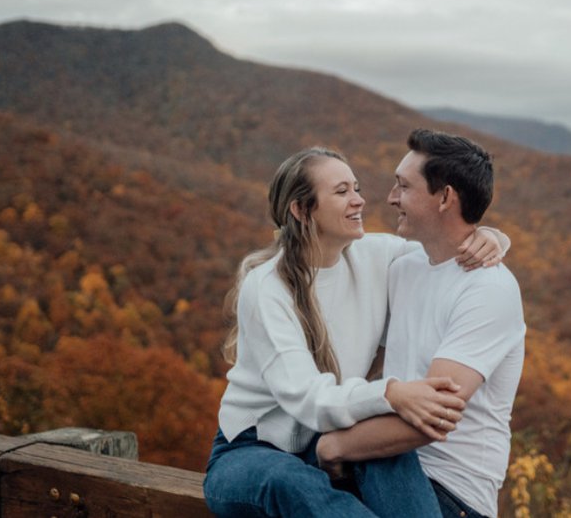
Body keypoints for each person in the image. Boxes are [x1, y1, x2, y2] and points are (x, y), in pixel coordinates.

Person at [202, 146, 509, 517]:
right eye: (341, 191)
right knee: (290, 481)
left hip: (327, 441)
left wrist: (490, 237)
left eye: (356, 188)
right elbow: (309, 400)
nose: (359, 200)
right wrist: (390, 393)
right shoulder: (267, 287)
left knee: (384, 445)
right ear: (301, 210)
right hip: (253, 450)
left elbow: (442, 245)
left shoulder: (377, 256)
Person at [316, 130, 525, 518]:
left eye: (404, 186)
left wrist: (335, 446)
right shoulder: (404, 267)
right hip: (379, 461)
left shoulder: (488, 290)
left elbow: (434, 416)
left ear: (445, 198)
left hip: (447, 492)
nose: (391, 197)